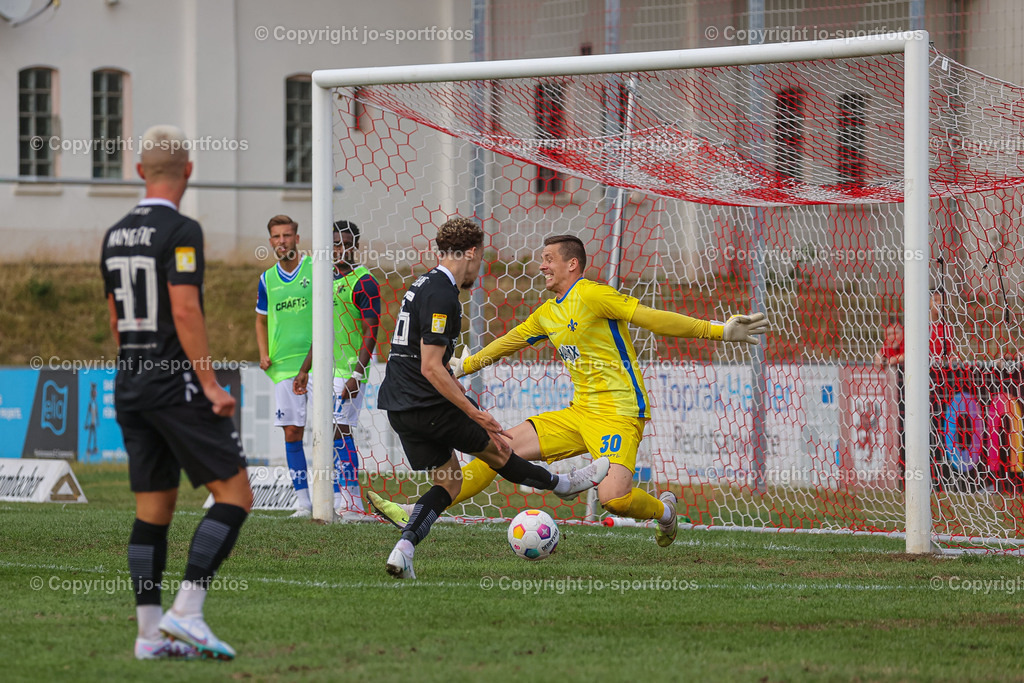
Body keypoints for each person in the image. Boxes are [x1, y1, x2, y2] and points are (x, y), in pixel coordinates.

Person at [369, 234, 767, 547]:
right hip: (578, 413)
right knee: (497, 447)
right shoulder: (548, 312)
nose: (540, 265)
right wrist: (466, 364)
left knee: (613, 497)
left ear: (571, 264)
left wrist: (718, 331)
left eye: (548, 259)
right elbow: (509, 341)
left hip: (619, 412)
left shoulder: (594, 295)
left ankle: (664, 511)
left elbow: (652, 318)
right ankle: (417, 511)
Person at [376, 219, 610, 579]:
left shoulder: (422, 283)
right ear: (471, 252)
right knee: (499, 451)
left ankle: (403, 551)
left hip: (399, 405)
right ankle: (564, 485)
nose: (480, 266)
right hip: (425, 403)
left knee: (450, 482)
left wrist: (471, 405)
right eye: (481, 256)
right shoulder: (442, 293)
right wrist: (475, 413)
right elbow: (431, 369)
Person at [101, 125, 252, 661]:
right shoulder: (182, 229)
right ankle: (186, 613)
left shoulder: (114, 234)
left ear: (140, 171)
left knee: (153, 511)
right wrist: (210, 384)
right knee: (235, 494)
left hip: (131, 382)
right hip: (174, 383)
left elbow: (118, 321)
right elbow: (184, 308)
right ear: (188, 170)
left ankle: (148, 637)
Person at [293, 220, 381, 521]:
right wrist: (305, 369)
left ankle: (353, 501)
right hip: (322, 371)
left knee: (340, 430)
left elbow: (372, 330)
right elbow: (321, 331)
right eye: (334, 244)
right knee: (324, 432)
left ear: (355, 246)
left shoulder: (364, 281)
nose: (338, 249)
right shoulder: (324, 279)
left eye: (344, 243)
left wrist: (357, 373)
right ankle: (333, 497)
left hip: (348, 369)